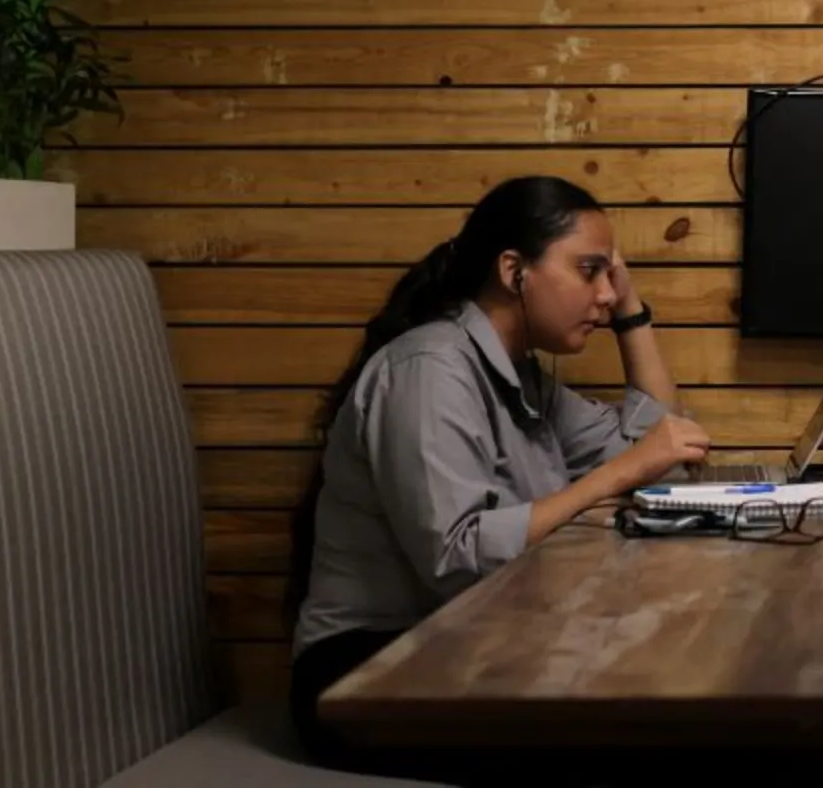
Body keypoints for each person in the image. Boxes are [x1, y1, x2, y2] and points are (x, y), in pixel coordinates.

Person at [286, 175, 714, 771]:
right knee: (638, 740)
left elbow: (658, 453)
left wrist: (632, 312)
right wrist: (614, 477)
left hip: (467, 646)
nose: (605, 294)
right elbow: (455, 561)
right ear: (514, 271)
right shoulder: (429, 370)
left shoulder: (522, 375)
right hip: (366, 675)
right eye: (589, 271)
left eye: (610, 276)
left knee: (671, 703)